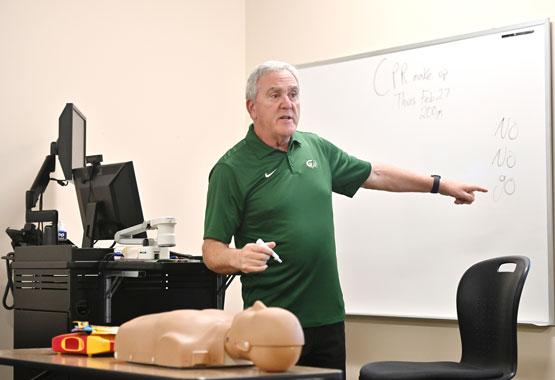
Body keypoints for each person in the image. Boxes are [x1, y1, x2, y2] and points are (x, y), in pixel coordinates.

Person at [202, 61, 488, 377]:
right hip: (271, 326)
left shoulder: (315, 148)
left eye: (294, 95)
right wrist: (239, 257)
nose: (288, 104)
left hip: (327, 318)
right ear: (252, 107)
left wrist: (441, 185)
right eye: (275, 95)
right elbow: (211, 251)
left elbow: (376, 174)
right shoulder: (231, 169)